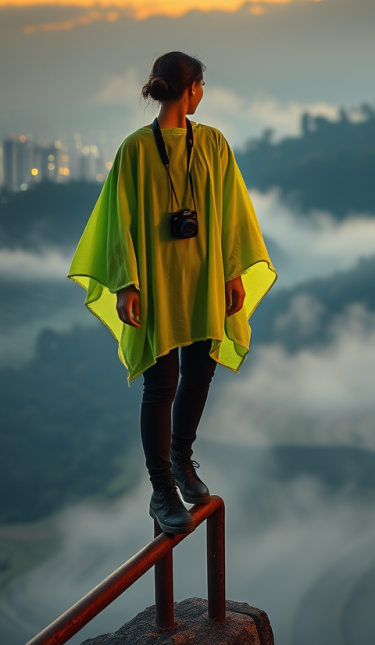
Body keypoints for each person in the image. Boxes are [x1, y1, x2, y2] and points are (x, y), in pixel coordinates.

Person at [67, 52, 277, 535]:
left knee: (200, 370)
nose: (202, 93)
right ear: (192, 89)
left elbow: (231, 214)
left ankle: (183, 459)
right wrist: (125, 283)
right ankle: (161, 488)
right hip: (157, 282)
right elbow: (117, 223)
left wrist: (232, 273)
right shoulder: (136, 149)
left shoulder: (214, 144)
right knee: (161, 384)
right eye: (201, 85)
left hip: (204, 278)